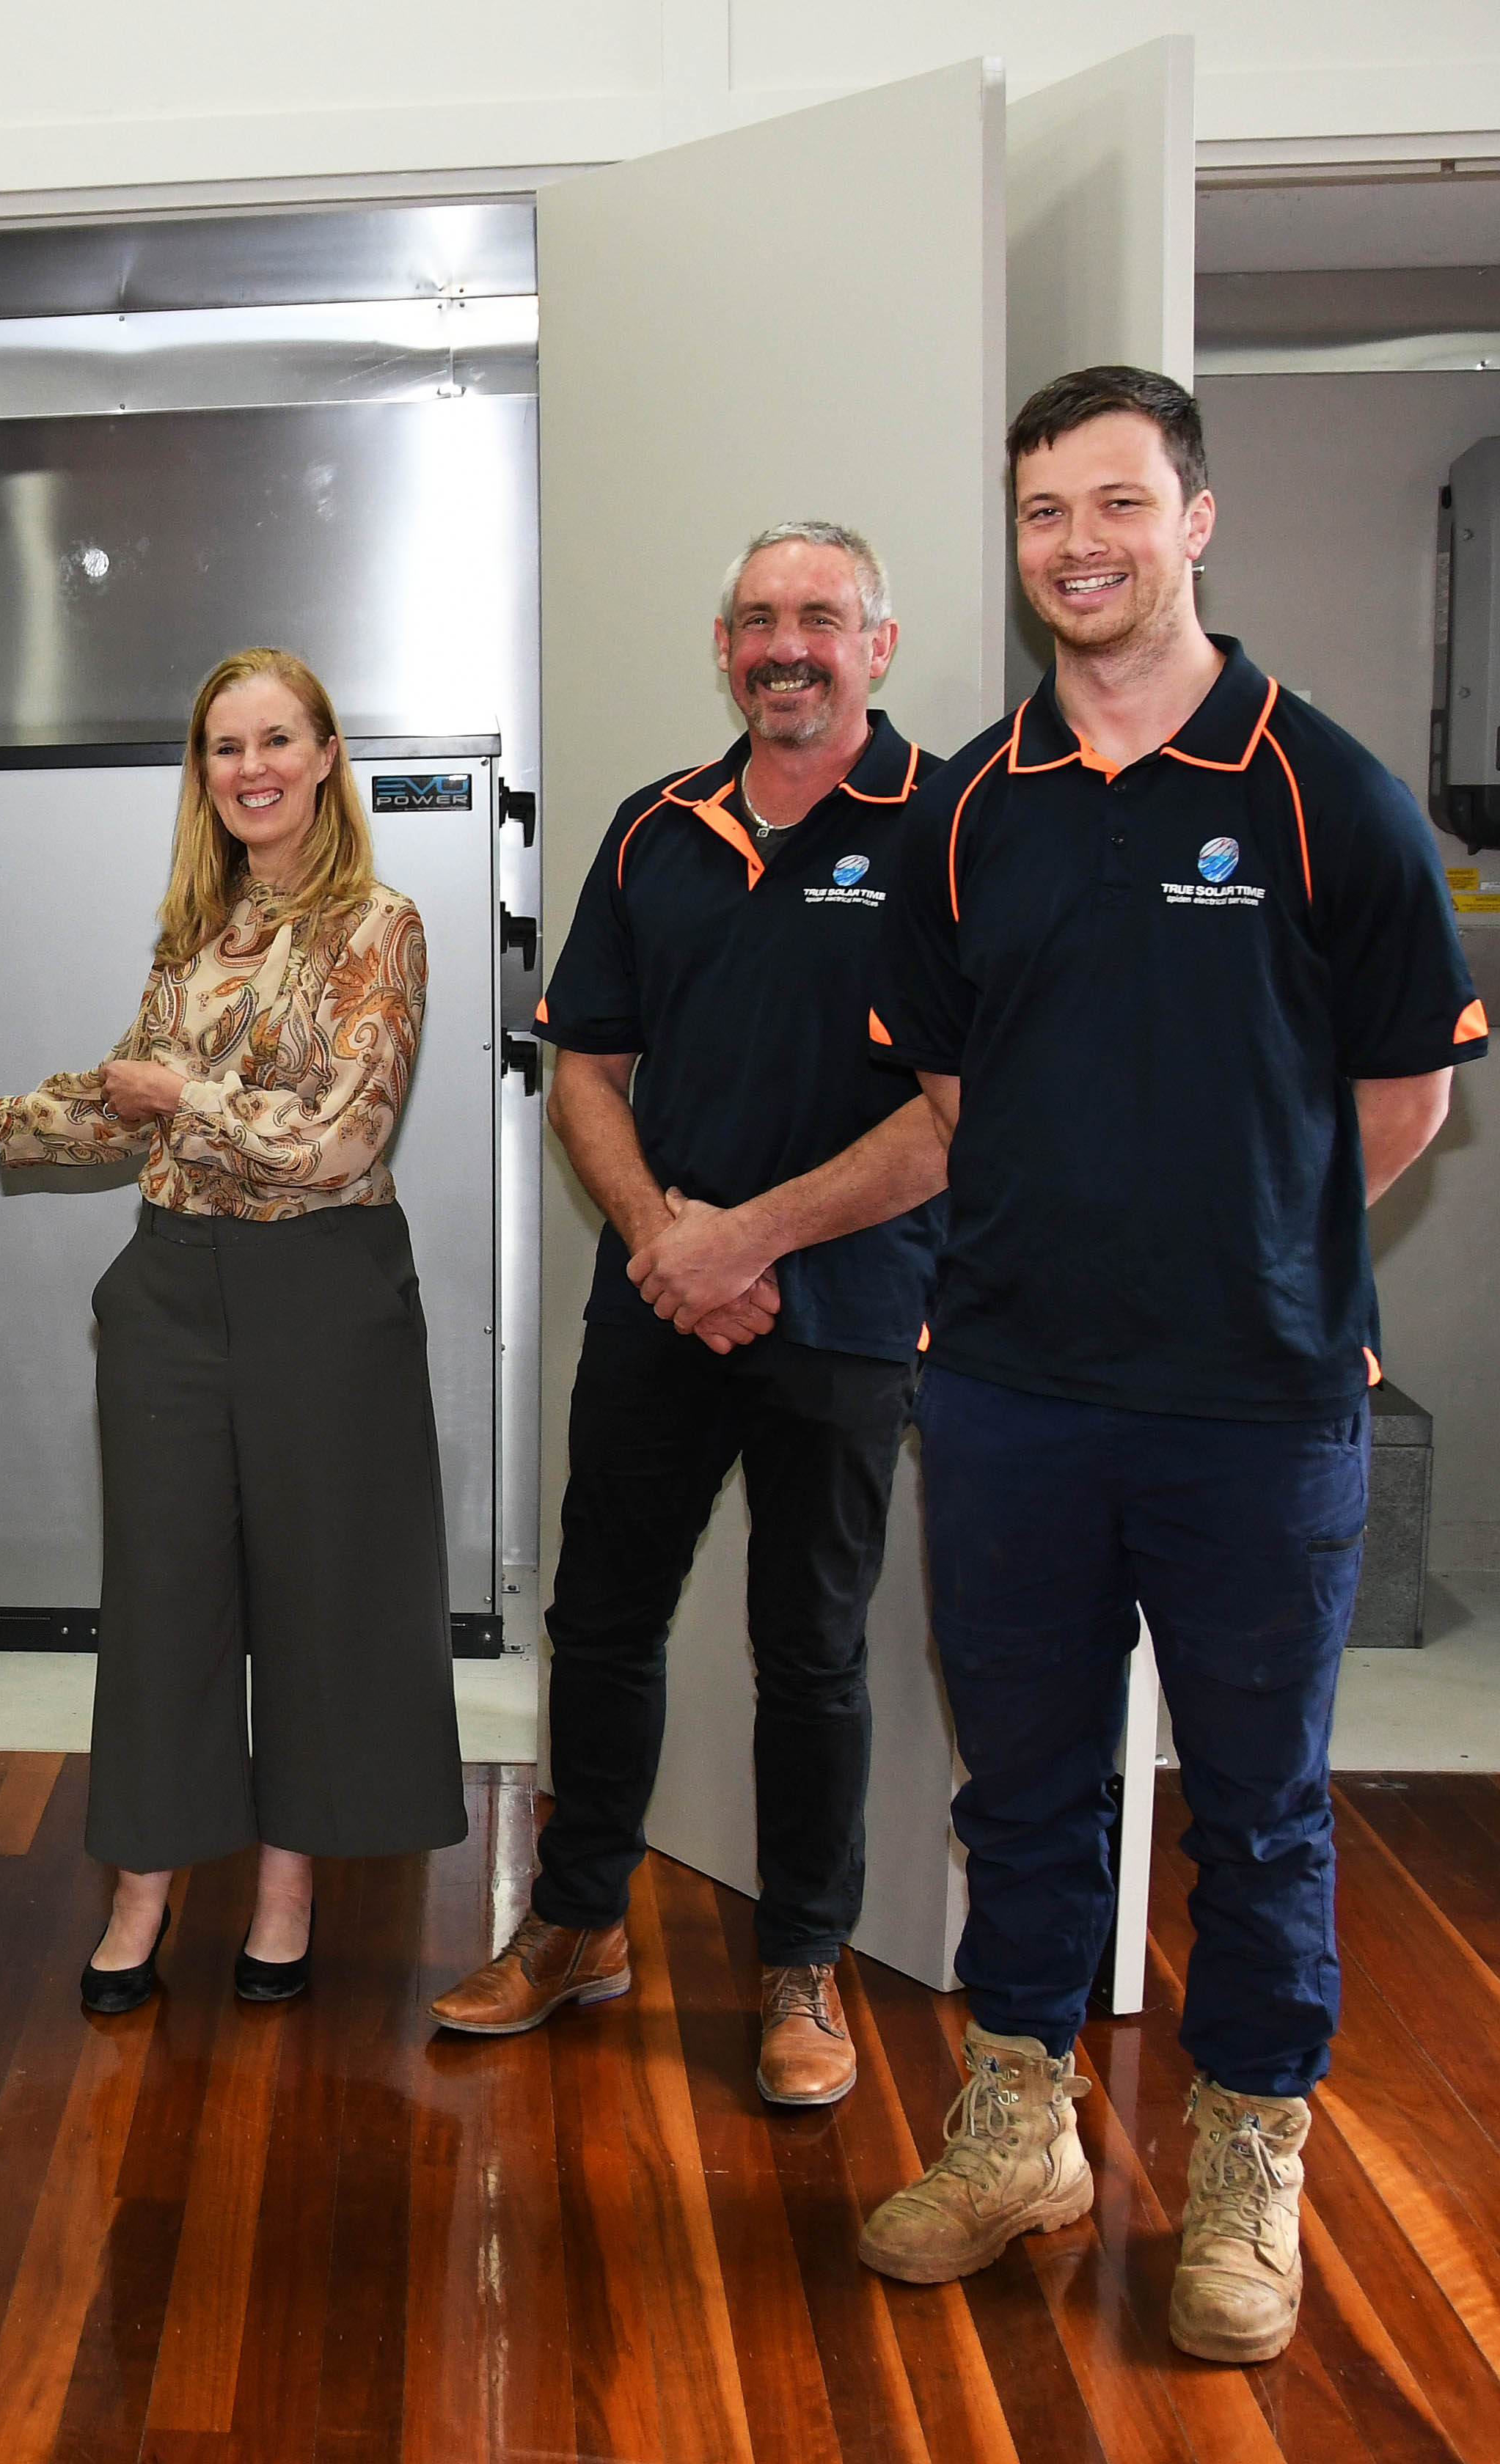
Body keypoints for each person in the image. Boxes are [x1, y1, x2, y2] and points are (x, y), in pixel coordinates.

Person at [859, 367, 1485, 2364]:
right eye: (1044, 511)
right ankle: (1022, 2121)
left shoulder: (1327, 790)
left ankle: (1244, 2156)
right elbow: (960, 1092)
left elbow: (1399, 1105)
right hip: (1016, 1397)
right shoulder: (966, 805)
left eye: (1116, 502)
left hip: (1260, 1408)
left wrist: (1255, 1256)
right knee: (1021, 1790)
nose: (1078, 545)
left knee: (1260, 1809)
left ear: (1194, 521)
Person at [428, 524, 948, 2109]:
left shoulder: (950, 828)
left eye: (821, 620)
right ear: (724, 645)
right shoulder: (658, 828)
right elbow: (585, 1063)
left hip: (848, 1307)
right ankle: (579, 1919)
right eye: (759, 621)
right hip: (661, 1303)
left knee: (811, 1652)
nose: (787, 646)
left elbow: (956, 1112)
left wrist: (751, 1245)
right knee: (600, 1623)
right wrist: (669, 1240)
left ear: (881, 641)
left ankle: (803, 1961)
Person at [0, 646, 467, 2009]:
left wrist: (188, 1099)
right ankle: (142, 1888)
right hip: (170, 1290)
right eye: (225, 747)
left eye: (278, 739)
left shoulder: (376, 923)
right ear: (201, 773)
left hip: (319, 1291)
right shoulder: (191, 931)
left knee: (317, 1598)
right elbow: (130, 1097)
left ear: (327, 756)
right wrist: (3, 1117)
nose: (252, 768)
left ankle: (285, 1891)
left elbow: (340, 1141)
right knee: (163, 1597)